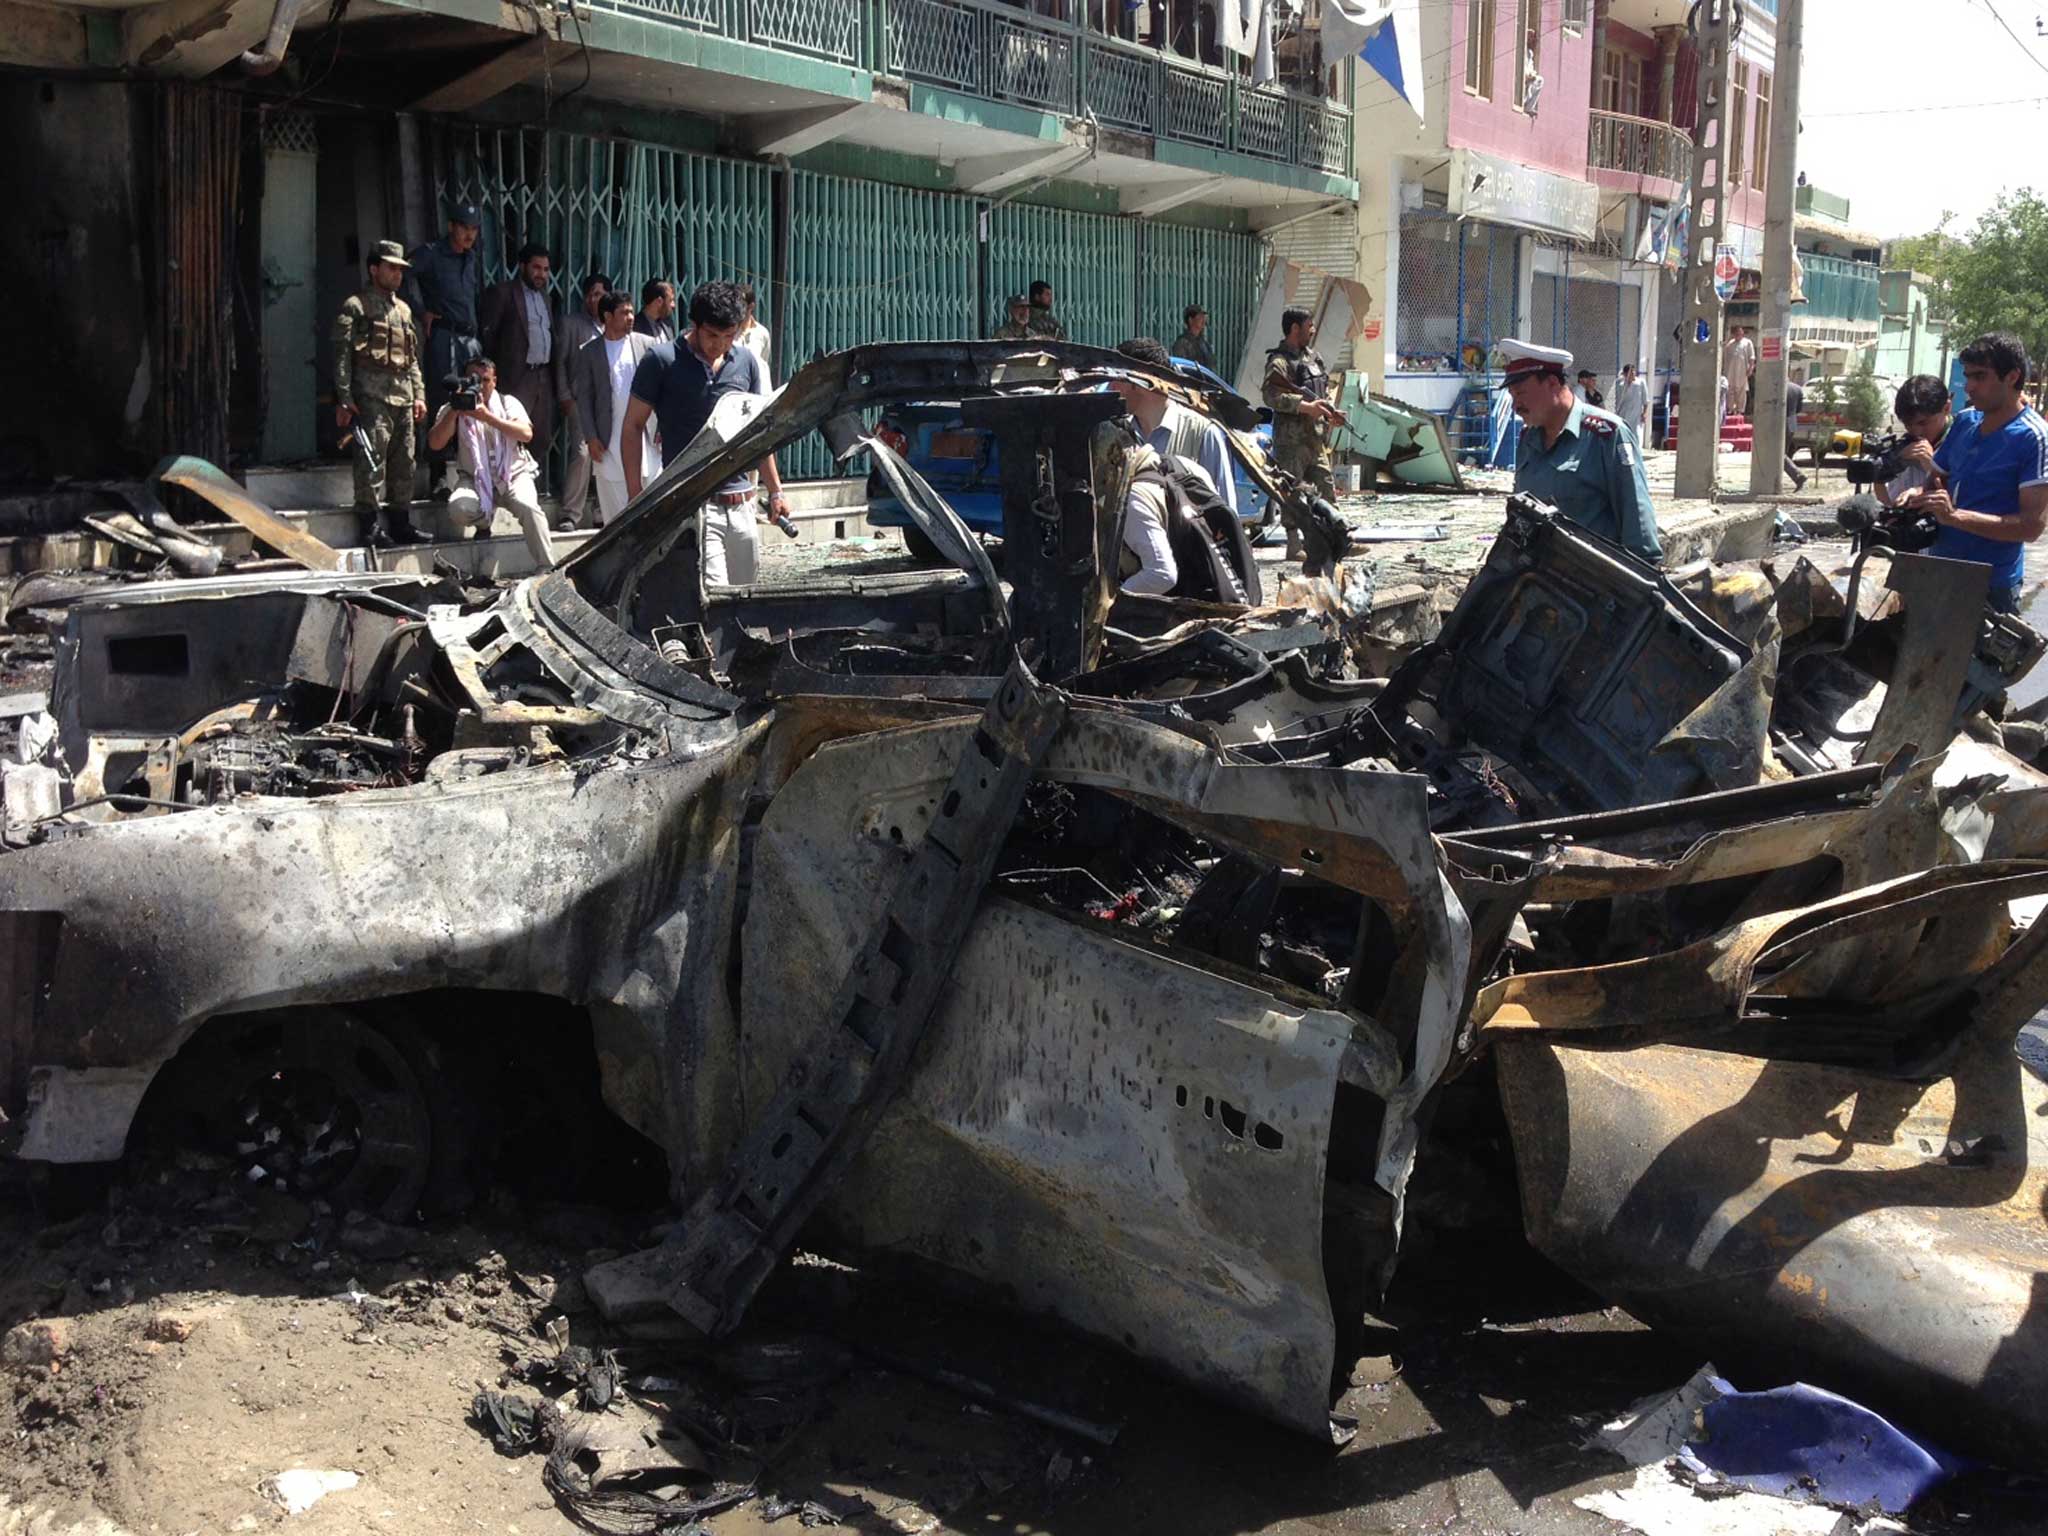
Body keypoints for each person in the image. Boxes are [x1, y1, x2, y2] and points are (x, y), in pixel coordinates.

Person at [622, 280, 792, 587]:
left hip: (742, 505)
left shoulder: (747, 363)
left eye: (729, 336)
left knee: (746, 596)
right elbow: (632, 427)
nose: (721, 344)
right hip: (693, 507)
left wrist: (775, 491)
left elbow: (759, 435)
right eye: (713, 335)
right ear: (695, 325)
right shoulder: (661, 361)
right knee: (713, 596)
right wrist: (636, 496)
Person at [1914, 333, 2048, 614]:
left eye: (1980, 376)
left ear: (2012, 377)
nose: (1970, 386)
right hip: (1941, 573)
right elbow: (1935, 479)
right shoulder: (1965, 422)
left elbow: (2031, 526)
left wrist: (1954, 517)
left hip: (1991, 587)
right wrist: (1919, 497)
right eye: (1967, 376)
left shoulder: (2033, 438)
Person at [1500, 339, 1661, 562]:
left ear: (1553, 383)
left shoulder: (1607, 435)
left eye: (1521, 394)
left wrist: (1642, 584)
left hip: (1592, 583)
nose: (1515, 406)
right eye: (1512, 396)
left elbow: (1637, 520)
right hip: (1539, 581)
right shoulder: (1529, 438)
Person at [331, 240, 429, 548]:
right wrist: (345, 397)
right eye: (391, 267)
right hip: (370, 398)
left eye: (401, 269)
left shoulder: (404, 310)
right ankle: (369, 524)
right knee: (371, 462)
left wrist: (419, 395)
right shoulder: (356, 306)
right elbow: (342, 355)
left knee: (405, 462)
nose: (397, 274)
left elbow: (412, 359)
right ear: (374, 269)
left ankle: (401, 521)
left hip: (402, 398)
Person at [424, 353, 555, 569]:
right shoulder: (453, 407)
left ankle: (547, 567)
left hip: (513, 475)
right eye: (474, 379)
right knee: (459, 508)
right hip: (474, 478)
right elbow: (435, 443)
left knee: (530, 508)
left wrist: (488, 418)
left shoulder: (507, 402)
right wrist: (455, 411)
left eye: (485, 380)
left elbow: (526, 434)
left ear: (494, 382)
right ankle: (484, 519)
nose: (480, 385)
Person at [404, 203, 484, 498]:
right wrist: (420, 311)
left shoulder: (471, 257)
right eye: (464, 227)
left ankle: (469, 474)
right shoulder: (432, 253)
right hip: (444, 336)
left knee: (473, 403)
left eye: (474, 229)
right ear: (452, 226)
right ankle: (438, 476)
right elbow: (402, 276)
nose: (469, 235)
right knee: (443, 402)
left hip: (470, 339)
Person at [478, 243, 565, 507]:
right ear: (523, 266)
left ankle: (527, 491)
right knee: (507, 437)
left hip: (542, 377)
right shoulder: (503, 294)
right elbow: (488, 337)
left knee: (540, 435)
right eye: (536, 268)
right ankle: (497, 493)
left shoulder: (546, 298)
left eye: (546, 270)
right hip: (515, 378)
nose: (541, 274)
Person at [1112, 337, 1236, 516]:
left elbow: (1227, 516)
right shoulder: (1116, 434)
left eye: (1117, 378)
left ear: (1141, 380)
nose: (1111, 385)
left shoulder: (1202, 434)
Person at [1262, 306, 1343, 566]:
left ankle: (1337, 540)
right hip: (1291, 442)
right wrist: (1305, 407)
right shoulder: (1279, 362)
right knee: (1292, 494)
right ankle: (1294, 545)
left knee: (1327, 489)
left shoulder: (1313, 358)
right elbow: (1270, 396)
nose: (1313, 329)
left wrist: (1330, 411)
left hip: (1315, 439)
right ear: (1295, 328)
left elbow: (1323, 390)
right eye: (1309, 325)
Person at [572, 292, 661, 526]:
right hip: (607, 437)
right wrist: (590, 437)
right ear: (607, 316)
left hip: (646, 436)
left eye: (632, 311)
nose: (631, 317)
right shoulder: (590, 352)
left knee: (649, 498)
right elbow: (584, 398)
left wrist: (662, 425)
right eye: (624, 312)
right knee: (614, 507)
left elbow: (663, 389)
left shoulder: (648, 345)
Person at [553, 272, 610, 530]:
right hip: (580, 400)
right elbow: (560, 363)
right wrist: (565, 395)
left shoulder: (612, 326)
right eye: (589, 295)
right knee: (583, 453)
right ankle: (570, 513)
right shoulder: (571, 324)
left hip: (607, 402)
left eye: (598, 294)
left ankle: (603, 510)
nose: (593, 300)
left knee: (607, 455)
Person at [1878, 374, 1953, 510]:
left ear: (1946, 408)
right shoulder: (1905, 445)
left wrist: (1933, 467)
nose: (1916, 432)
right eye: (1908, 424)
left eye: (1923, 423)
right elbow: (1881, 488)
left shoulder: (1964, 442)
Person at [1722, 325, 1756, 417]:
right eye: (1736, 333)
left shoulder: (1747, 342)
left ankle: (1740, 410)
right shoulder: (1730, 343)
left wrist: (1751, 368)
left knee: (1741, 390)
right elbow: (1724, 354)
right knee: (1730, 389)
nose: (1739, 334)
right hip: (1730, 370)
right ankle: (1730, 409)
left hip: (1742, 370)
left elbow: (1752, 357)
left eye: (1740, 332)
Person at [736, 285, 771, 374]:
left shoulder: (762, 333)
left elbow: (763, 363)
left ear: (751, 306)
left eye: (741, 305)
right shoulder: (727, 332)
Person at [1783, 375, 1808, 492]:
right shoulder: (1797, 389)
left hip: (1780, 424)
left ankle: (1798, 476)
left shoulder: (1779, 388)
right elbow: (1799, 409)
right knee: (1783, 453)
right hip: (1792, 423)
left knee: (1778, 455)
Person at [1613, 363, 1649, 444]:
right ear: (1625, 374)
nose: (1633, 374)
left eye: (1633, 372)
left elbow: (1645, 399)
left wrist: (1645, 413)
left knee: (1636, 435)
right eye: (1630, 373)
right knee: (1623, 434)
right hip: (1623, 413)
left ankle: (1637, 453)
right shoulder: (1620, 384)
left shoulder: (1640, 383)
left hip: (1636, 414)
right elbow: (1617, 399)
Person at [1173, 305, 1216, 371]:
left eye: (1203, 317)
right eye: (1200, 317)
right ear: (1190, 320)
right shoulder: (1182, 343)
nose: (1203, 320)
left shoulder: (1204, 342)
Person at [635, 280, 677, 345]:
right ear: (659, 301)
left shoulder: (668, 323)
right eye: (670, 300)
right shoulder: (635, 327)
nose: (673, 305)